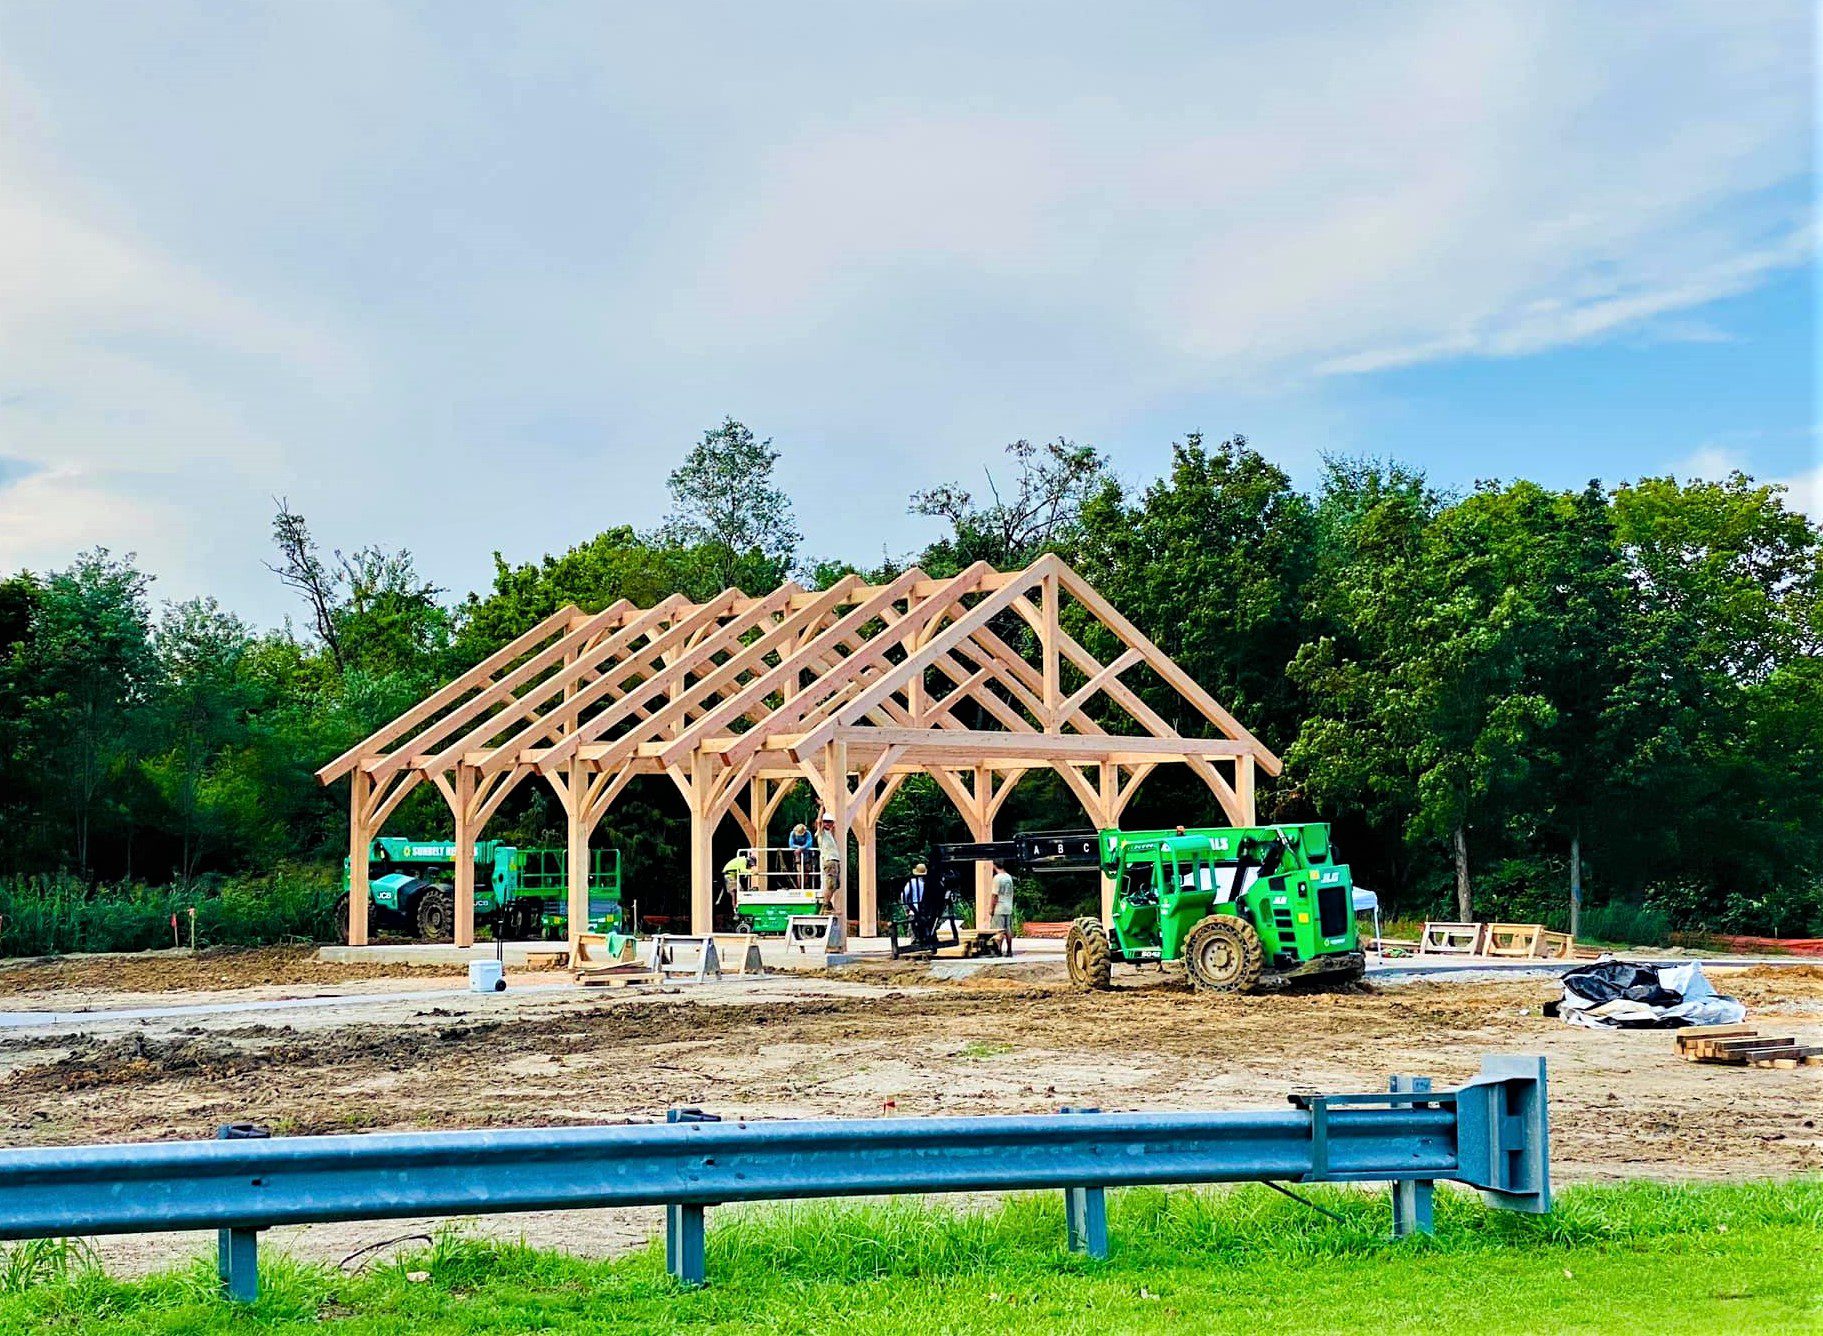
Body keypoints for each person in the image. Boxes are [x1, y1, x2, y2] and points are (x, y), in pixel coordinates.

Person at [816, 816, 842, 913]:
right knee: (830, 885)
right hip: (829, 860)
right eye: (826, 822)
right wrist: (822, 808)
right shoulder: (821, 834)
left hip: (835, 861)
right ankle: (826, 905)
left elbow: (834, 827)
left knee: (835, 885)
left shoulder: (829, 834)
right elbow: (818, 821)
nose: (827, 823)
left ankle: (828, 904)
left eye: (829, 822)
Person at [991, 861, 1017, 956]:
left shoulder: (997, 878)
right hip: (1008, 906)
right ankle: (1009, 950)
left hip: (999, 907)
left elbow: (995, 895)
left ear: (994, 865)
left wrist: (991, 908)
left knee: (998, 930)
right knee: (1008, 930)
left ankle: (998, 950)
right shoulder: (1008, 877)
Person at [786, 822, 815, 888]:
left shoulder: (808, 833)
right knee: (799, 871)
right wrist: (799, 848)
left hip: (807, 853)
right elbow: (791, 844)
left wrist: (801, 848)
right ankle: (799, 887)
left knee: (807, 870)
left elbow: (809, 843)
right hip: (797, 854)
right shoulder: (793, 833)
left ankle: (806, 885)